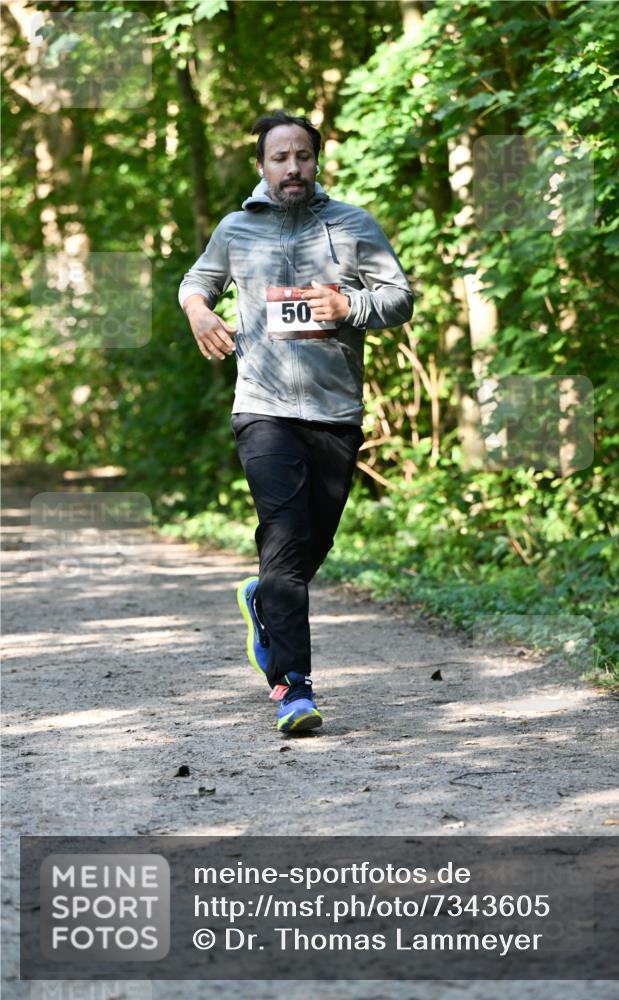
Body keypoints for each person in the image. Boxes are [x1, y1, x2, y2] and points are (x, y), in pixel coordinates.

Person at [179, 110, 413, 733]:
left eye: (302, 156)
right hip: (263, 408)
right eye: (279, 158)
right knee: (282, 540)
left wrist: (349, 304)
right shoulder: (236, 229)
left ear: (316, 161)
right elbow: (195, 282)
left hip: (335, 412)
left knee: (310, 545)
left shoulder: (353, 225)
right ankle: (294, 688)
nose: (292, 168)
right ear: (261, 166)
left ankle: (263, 600)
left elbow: (400, 298)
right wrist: (201, 312)